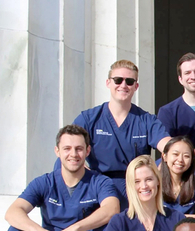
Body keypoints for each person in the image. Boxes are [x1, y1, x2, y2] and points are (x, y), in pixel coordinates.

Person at [72, 60, 171, 209]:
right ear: (108, 83)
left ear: (136, 86)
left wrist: (156, 174)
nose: (123, 85)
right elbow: (69, 147)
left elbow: (168, 146)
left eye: (129, 81)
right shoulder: (89, 118)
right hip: (98, 184)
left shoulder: (146, 120)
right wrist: (85, 174)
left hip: (134, 186)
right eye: (118, 80)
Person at [160, 136, 195, 225]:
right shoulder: (155, 183)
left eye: (186, 156)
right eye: (175, 154)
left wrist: (168, 218)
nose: (180, 160)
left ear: (192, 160)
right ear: (164, 156)